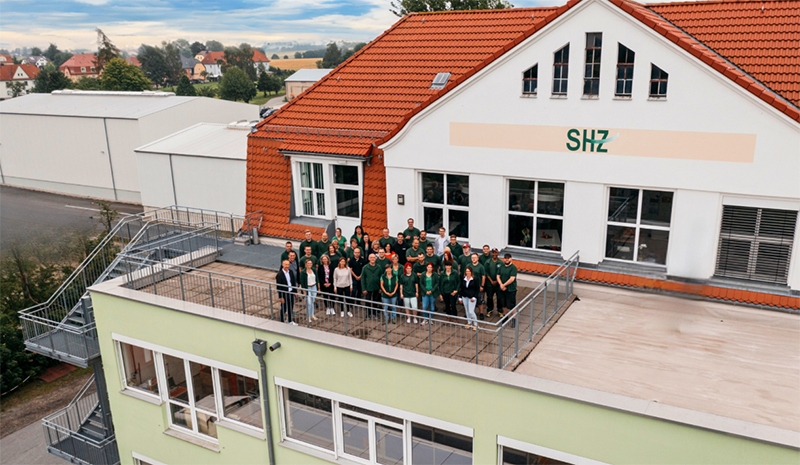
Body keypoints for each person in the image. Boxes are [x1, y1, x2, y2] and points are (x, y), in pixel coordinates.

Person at [497, 253, 519, 327]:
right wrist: (501, 284)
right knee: (503, 304)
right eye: (505, 258)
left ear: (511, 259)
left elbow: (512, 279)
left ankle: (514, 319)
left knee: (512, 305)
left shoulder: (513, 268)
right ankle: (505, 317)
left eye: (508, 258)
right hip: (502, 289)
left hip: (510, 289)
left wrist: (504, 285)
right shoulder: (501, 266)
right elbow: (498, 276)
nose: (506, 259)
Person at [276, 259, 298, 325]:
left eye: (288, 264)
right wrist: (281, 297)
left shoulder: (290, 272)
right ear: (282, 265)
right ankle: (282, 321)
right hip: (284, 294)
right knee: (284, 307)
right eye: (286, 264)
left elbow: (293, 282)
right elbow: (278, 287)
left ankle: (290, 320)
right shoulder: (279, 275)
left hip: (291, 292)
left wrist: (295, 292)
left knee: (291, 307)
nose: (287, 266)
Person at [361, 253, 382, 318]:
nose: (372, 259)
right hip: (368, 287)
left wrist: (380, 288)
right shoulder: (365, 267)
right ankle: (368, 313)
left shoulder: (378, 267)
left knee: (375, 301)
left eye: (374, 257)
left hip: (376, 287)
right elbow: (363, 279)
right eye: (371, 257)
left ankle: (375, 313)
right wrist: (364, 288)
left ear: (376, 258)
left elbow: (381, 278)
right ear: (369, 258)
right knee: (368, 301)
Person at [298, 258, 318, 323]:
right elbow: (302, 282)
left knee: (312, 302)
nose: (310, 264)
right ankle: (308, 316)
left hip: (314, 287)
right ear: (306, 264)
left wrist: (318, 288)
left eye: (310, 263)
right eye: (308, 263)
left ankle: (312, 314)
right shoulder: (303, 272)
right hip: (307, 288)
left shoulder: (314, 270)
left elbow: (317, 279)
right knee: (309, 303)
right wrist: (304, 292)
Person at [484, 248, 501, 318]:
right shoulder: (488, 262)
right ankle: (490, 310)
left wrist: (497, 281)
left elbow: (501, 272)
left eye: (495, 253)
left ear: (498, 253)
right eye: (493, 253)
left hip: (498, 284)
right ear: (491, 254)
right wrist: (491, 281)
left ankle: (500, 311)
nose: (494, 254)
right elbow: (486, 272)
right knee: (489, 297)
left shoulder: (501, 262)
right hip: (489, 284)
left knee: (499, 297)